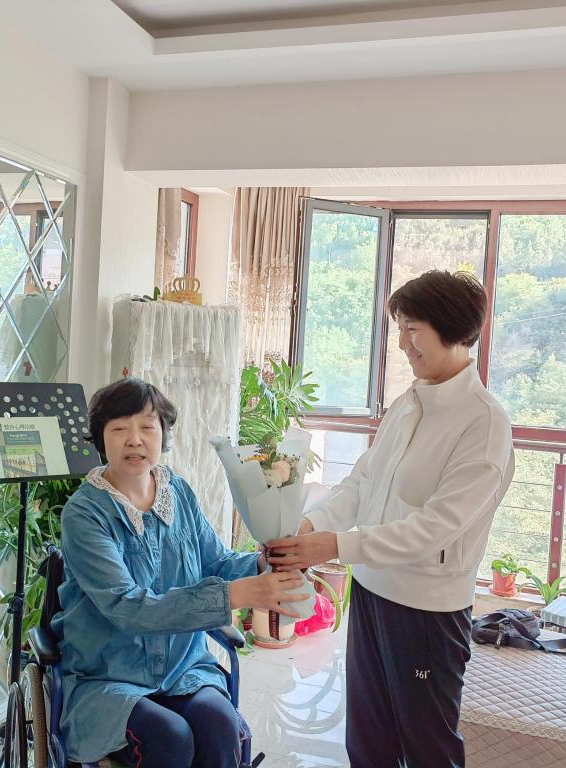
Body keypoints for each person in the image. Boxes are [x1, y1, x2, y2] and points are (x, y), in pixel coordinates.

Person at [268, 269, 515, 768]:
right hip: (371, 594)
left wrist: (335, 546)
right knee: (367, 740)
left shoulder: (483, 424)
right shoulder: (408, 403)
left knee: (427, 749)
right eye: (399, 328)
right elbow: (362, 482)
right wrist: (313, 526)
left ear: (452, 330)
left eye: (411, 328)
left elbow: (434, 529)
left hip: (426, 612)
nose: (401, 343)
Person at [53, 377, 308, 768]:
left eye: (147, 427)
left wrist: (263, 563)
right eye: (119, 429)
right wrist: (240, 594)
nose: (134, 440)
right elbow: (129, 608)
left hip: (183, 669)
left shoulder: (178, 493)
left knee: (220, 727)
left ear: (163, 434)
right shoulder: (85, 514)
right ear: (100, 437)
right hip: (108, 678)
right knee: (170, 737)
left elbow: (216, 562)